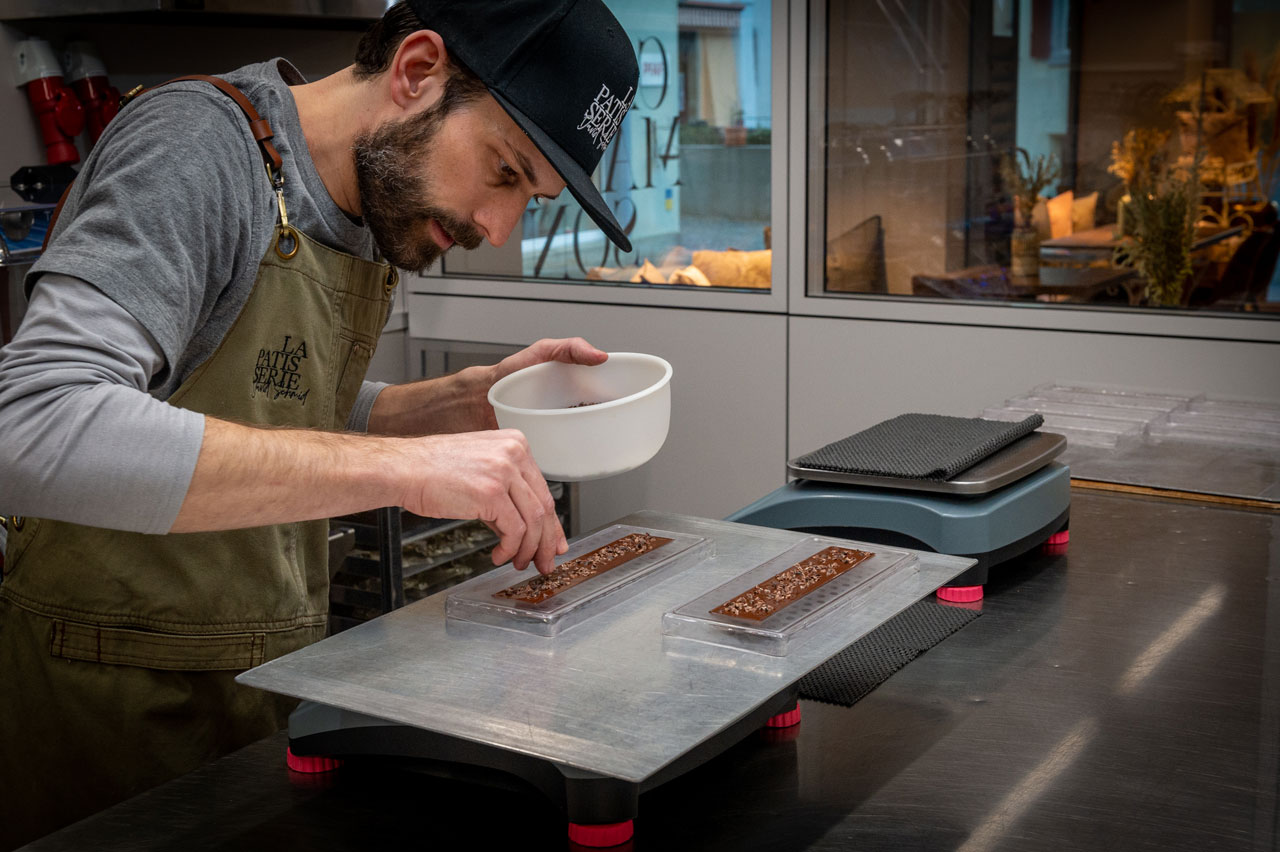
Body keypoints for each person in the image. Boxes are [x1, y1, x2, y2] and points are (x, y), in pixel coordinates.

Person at [0, 0, 639, 846]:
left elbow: (261, 410)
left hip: (257, 681)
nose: (496, 227)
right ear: (416, 71)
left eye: (530, 198)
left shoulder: (363, 200)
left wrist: (456, 404)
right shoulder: (196, 149)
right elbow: (35, 420)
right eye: (505, 171)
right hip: (106, 701)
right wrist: (406, 473)